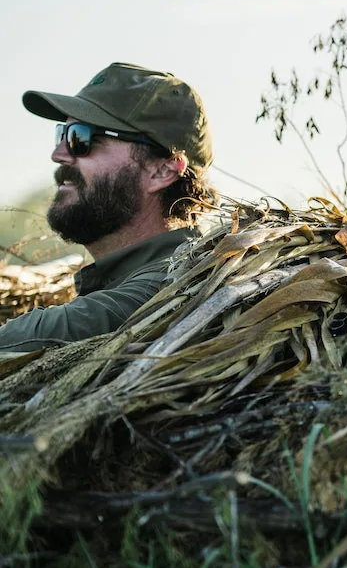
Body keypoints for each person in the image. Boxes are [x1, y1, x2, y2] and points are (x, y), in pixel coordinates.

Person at [0, 62, 214, 351]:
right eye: (62, 134)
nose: (58, 154)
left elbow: (56, 329)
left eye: (80, 138)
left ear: (162, 171)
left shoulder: (178, 282)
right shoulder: (121, 281)